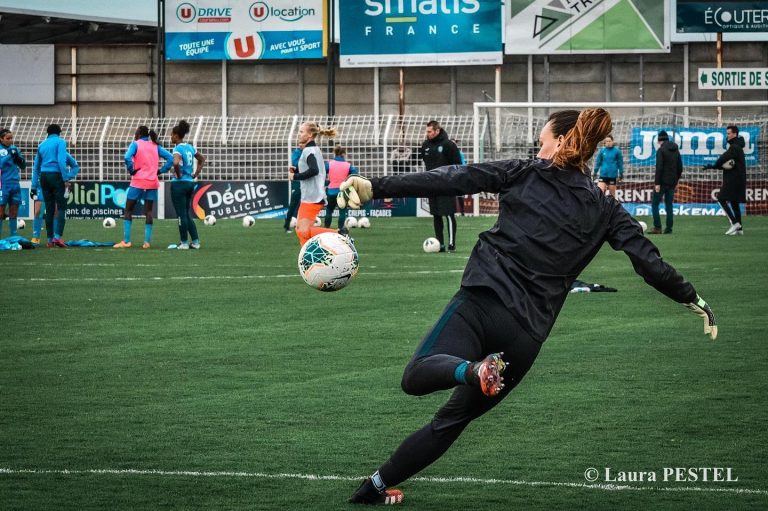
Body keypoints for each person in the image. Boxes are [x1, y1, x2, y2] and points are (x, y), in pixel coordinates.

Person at [337, 109, 717, 506]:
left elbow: (453, 177)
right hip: (524, 338)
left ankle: (471, 370)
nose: (539, 147)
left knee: (416, 377)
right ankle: (375, 489)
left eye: (542, 141)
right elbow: (648, 262)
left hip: (483, 301)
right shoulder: (605, 209)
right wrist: (692, 297)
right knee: (451, 421)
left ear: (558, 141)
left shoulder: (525, 171)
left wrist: (375, 185)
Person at [114, 125, 173, 249]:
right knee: (149, 212)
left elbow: (126, 157)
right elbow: (170, 158)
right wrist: (161, 171)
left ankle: (127, 241)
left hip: (138, 181)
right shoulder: (156, 146)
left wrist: (131, 170)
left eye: (136, 132)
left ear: (139, 133)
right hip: (152, 182)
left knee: (128, 210)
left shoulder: (135, 144)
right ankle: (146, 242)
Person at [290, 121, 339, 246]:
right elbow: (313, 169)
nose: (298, 134)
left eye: (301, 132)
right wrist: (297, 170)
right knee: (301, 231)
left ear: (310, 135)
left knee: (303, 231)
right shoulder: (312, 149)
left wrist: (295, 176)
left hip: (313, 197)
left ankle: (339, 234)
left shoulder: (309, 151)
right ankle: (310, 259)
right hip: (311, 196)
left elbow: (314, 170)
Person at [31, 124, 77, 247]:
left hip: (44, 177)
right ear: (59, 133)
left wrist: (33, 186)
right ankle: (58, 237)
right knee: (61, 207)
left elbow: (36, 168)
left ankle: (49, 240)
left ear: (47, 133)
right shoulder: (60, 142)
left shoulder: (41, 145)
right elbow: (61, 161)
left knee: (49, 209)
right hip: (56, 176)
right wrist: (66, 178)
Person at [420, 120, 462, 252]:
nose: (427, 134)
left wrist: (452, 181)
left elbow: (457, 165)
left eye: (430, 131)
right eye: (427, 131)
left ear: (437, 131)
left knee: (448, 214)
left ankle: (451, 244)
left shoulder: (449, 145)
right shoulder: (425, 145)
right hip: (432, 185)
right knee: (436, 214)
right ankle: (440, 244)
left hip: (446, 185)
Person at [704, 125, 746, 236]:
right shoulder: (738, 147)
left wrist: (713, 165)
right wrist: (712, 167)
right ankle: (740, 228)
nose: (727, 135)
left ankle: (734, 222)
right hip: (739, 178)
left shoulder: (734, 147)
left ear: (734, 134)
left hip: (733, 179)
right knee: (734, 202)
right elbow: (729, 164)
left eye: (728, 133)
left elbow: (722, 159)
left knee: (721, 198)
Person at [169, 120, 205, 249]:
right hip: (190, 183)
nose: (171, 137)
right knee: (186, 213)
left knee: (181, 214)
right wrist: (196, 173)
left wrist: (178, 175)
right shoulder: (190, 147)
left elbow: (176, 163)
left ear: (177, 136)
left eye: (172, 135)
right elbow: (202, 159)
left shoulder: (177, 148)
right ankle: (195, 242)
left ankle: (184, 243)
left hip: (179, 184)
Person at [649, 130, 683, 235]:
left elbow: (659, 168)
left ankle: (658, 227)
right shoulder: (676, 149)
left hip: (662, 182)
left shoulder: (661, 150)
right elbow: (680, 166)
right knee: (669, 205)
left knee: (655, 204)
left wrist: (657, 183)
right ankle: (669, 228)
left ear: (659, 140)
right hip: (672, 182)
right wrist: (676, 180)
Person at [324, 145, 359, 231]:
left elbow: (322, 172)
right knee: (342, 211)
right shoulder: (348, 165)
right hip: (342, 191)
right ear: (343, 154)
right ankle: (340, 229)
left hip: (331, 191)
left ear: (335, 153)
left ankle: (326, 229)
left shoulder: (329, 164)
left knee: (329, 210)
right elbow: (355, 174)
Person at [0, 128, 26, 239]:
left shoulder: (15, 149)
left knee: (14, 212)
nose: (10, 140)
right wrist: (10, 155)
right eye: (8, 138)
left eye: (11, 138)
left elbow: (23, 166)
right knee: (1, 213)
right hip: (2, 184)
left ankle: (13, 236)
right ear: (1, 139)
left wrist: (19, 159)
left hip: (15, 183)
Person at [283, 145, 303, 233]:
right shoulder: (296, 152)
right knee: (293, 204)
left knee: (306, 204)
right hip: (297, 181)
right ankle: (287, 225)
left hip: (307, 181)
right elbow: (295, 164)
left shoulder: (309, 151)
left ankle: (303, 225)